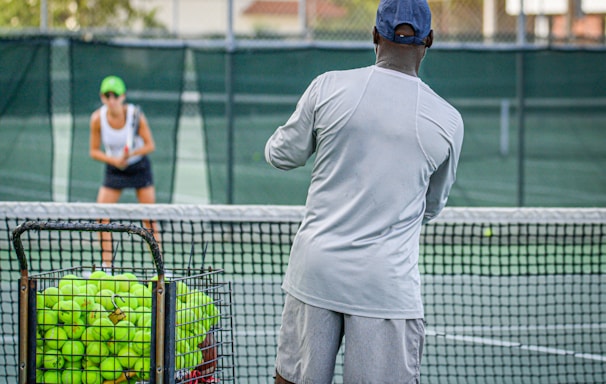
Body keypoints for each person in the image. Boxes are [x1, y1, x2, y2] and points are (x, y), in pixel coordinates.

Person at [264, 0, 464, 382]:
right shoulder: (448, 121)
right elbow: (432, 205)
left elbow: (281, 155)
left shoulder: (327, 87)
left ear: (375, 35)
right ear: (430, 40)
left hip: (315, 271)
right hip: (386, 286)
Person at [89, 75, 158, 268]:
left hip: (138, 167)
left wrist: (131, 154)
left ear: (123, 96)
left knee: (149, 218)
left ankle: (160, 268)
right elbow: (93, 151)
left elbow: (150, 145)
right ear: (102, 97)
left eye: (115, 95)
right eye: (106, 95)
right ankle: (107, 266)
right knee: (102, 216)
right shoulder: (97, 119)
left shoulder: (136, 116)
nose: (111, 100)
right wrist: (114, 160)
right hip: (114, 169)